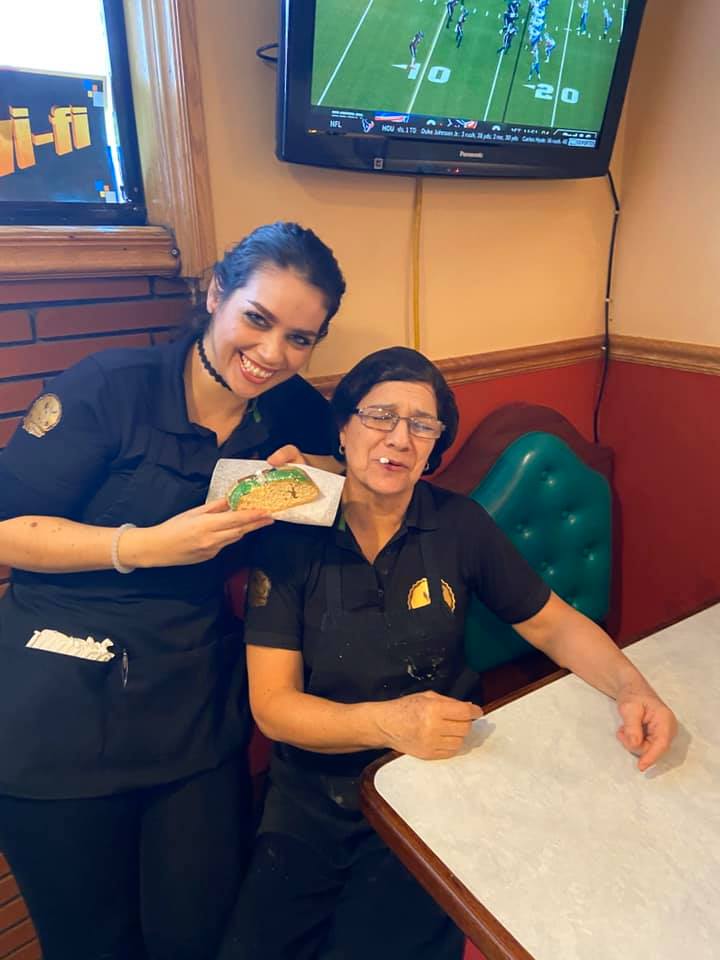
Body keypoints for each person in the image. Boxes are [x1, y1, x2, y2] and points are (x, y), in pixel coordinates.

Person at [218, 347, 678, 960]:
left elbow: (554, 625)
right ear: (343, 428)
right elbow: (274, 706)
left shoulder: (460, 525)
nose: (399, 438)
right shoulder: (292, 533)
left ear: (435, 445)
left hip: (431, 780)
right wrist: (389, 722)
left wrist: (632, 689)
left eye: (421, 424)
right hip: (311, 792)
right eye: (379, 415)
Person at [0, 221, 346, 960]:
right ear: (216, 293)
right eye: (257, 319)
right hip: (57, 697)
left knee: (201, 932)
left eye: (299, 338)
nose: (272, 353)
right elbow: (6, 530)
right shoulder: (109, 387)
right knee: (92, 944)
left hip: (192, 700)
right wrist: (141, 546)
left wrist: (319, 467)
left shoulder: (289, 407)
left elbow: (357, 472)